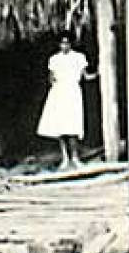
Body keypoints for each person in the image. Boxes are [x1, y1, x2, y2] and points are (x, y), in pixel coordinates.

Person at [36, 37, 95, 169]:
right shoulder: (54, 59)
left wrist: (98, 74)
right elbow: (51, 77)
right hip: (59, 92)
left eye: (67, 43)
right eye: (62, 43)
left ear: (71, 44)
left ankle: (75, 157)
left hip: (73, 92)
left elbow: (86, 76)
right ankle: (65, 158)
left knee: (73, 125)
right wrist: (54, 81)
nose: (64, 46)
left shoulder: (79, 57)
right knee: (60, 126)